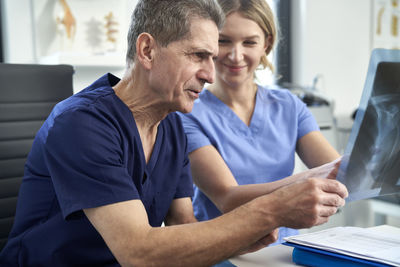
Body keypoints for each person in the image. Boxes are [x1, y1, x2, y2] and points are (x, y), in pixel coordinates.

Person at [0, 0, 348, 266]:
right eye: (198, 55)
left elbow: (183, 224)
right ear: (148, 50)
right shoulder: (82, 123)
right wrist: (271, 211)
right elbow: (138, 252)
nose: (211, 74)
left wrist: (241, 238)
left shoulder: (171, 125)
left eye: (212, 57)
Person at [179, 0, 341, 245]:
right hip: (221, 252)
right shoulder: (187, 114)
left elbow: (339, 174)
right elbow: (228, 199)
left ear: (267, 44)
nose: (236, 55)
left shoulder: (289, 106)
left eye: (249, 42)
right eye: (224, 41)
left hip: (285, 252)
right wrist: (306, 182)